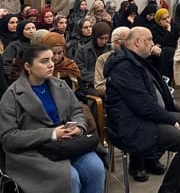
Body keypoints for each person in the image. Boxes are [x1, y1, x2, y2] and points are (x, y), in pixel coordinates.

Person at [105, 27, 180, 192]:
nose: (152, 44)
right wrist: (169, 119)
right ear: (137, 42)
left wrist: (168, 114)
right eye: (149, 40)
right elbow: (142, 105)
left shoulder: (136, 60)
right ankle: (168, 190)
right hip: (132, 124)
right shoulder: (123, 66)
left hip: (145, 116)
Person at [0, 45, 105, 193]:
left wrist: (79, 127)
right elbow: (9, 137)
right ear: (28, 66)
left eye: (51, 59)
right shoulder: (12, 95)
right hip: (33, 151)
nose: (51, 64)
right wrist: (52, 134)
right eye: (44, 61)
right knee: (69, 178)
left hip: (67, 144)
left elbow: (77, 111)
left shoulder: (61, 85)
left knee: (96, 169)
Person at [75, 22, 111, 91]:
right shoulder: (82, 51)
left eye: (106, 38)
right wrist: (98, 79)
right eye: (101, 38)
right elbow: (80, 71)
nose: (103, 41)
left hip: (108, 84)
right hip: (88, 85)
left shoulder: (110, 50)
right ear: (95, 36)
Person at [94, 27, 129, 97]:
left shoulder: (136, 57)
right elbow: (99, 87)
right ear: (117, 43)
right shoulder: (103, 59)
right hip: (115, 98)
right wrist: (123, 89)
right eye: (128, 40)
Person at [149, 8, 180, 79]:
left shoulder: (174, 26)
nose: (167, 20)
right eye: (164, 19)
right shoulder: (154, 28)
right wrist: (168, 31)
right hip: (163, 52)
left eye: (168, 17)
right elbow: (159, 42)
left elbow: (179, 39)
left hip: (174, 50)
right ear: (158, 20)